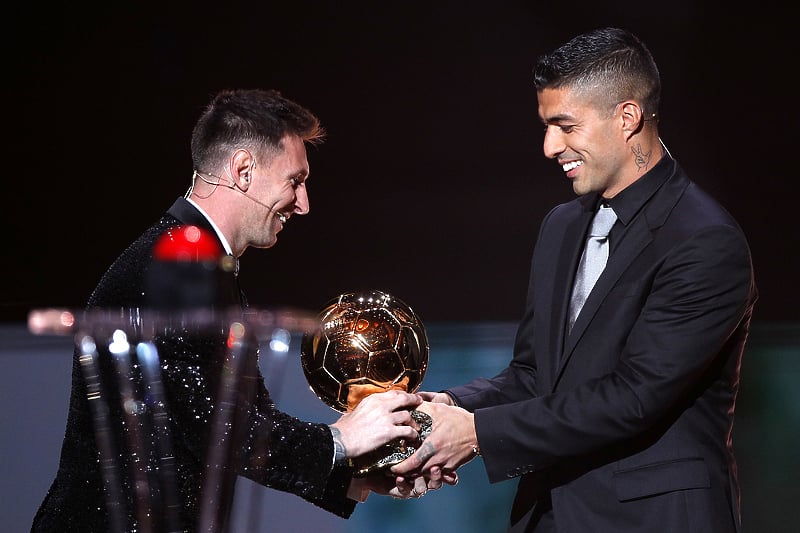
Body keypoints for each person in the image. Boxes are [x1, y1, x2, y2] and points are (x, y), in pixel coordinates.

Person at [32, 88, 451, 533]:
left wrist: (359, 473)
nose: (304, 204)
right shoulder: (175, 262)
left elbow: (244, 421)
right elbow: (211, 425)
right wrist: (340, 440)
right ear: (244, 170)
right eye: (295, 180)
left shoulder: (202, 262)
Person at [392, 27, 758, 532]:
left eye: (565, 126)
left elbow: (634, 397)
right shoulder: (561, 226)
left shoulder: (704, 241)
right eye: (546, 126)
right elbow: (533, 375)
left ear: (627, 118)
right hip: (548, 515)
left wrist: (476, 433)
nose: (548, 146)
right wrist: (454, 405)